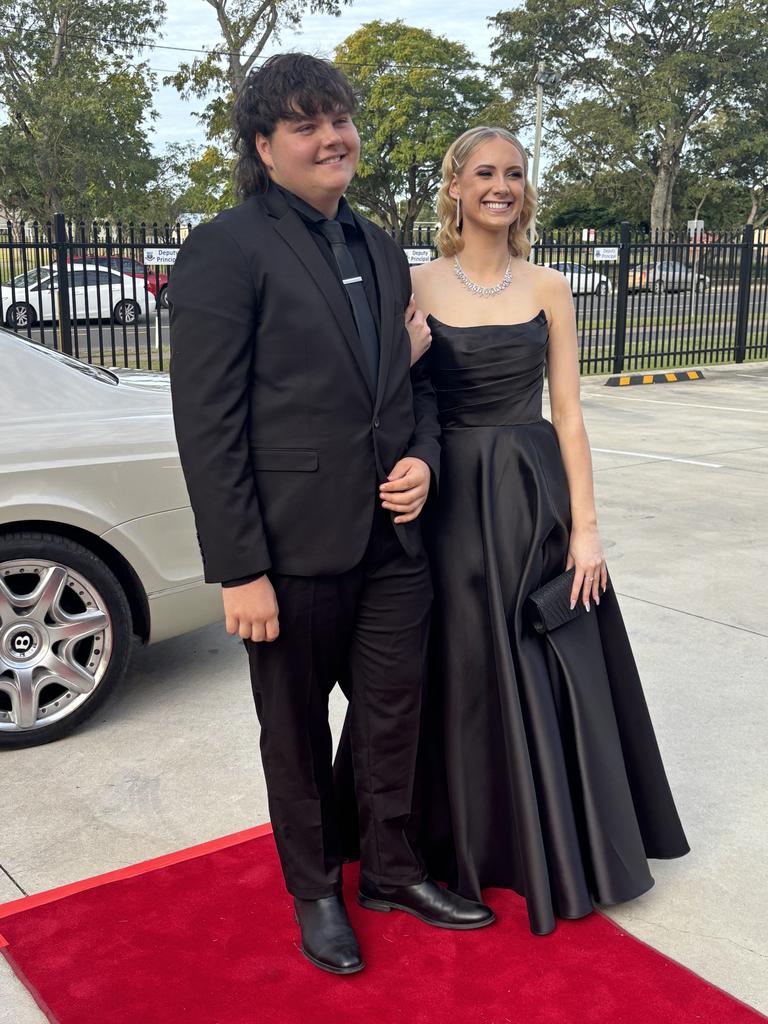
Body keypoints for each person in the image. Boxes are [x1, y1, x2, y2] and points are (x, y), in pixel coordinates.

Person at [168, 56, 494, 977]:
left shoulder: (381, 246)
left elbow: (413, 383)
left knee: (394, 717)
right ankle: (316, 890)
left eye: (338, 118)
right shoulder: (226, 249)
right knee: (298, 736)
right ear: (265, 148)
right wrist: (241, 568)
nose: (330, 137)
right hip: (288, 550)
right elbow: (207, 422)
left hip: (395, 543)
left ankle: (390, 870)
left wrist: (424, 461)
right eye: (305, 125)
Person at [409, 126, 690, 937]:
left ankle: (558, 843)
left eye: (516, 175)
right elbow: (396, 399)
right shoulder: (415, 282)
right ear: (455, 186)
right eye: (486, 173)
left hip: (534, 498)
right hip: (451, 501)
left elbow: (567, 413)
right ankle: (459, 839)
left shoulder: (551, 286)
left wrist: (589, 532)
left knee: (541, 655)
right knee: (460, 665)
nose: (503, 187)